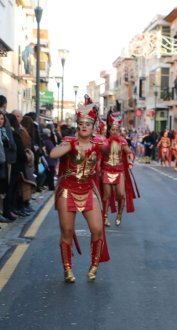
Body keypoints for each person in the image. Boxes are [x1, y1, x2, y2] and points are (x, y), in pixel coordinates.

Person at [49, 96, 109, 282]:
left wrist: (102, 133)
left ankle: (94, 265)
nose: (84, 126)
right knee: (67, 231)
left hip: (87, 190)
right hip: (68, 190)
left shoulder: (98, 145)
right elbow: (53, 154)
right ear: (77, 126)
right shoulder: (68, 142)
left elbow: (109, 147)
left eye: (88, 124)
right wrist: (70, 146)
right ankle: (68, 269)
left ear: (93, 127)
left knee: (97, 229)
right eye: (81, 123)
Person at [101, 111, 136, 227]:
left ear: (119, 130)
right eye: (113, 129)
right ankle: (105, 217)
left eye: (117, 129)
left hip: (119, 170)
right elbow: (101, 153)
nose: (115, 131)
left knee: (121, 194)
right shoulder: (105, 142)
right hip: (107, 170)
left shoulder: (122, 141)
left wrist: (130, 159)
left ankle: (119, 214)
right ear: (109, 130)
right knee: (107, 195)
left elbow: (129, 152)